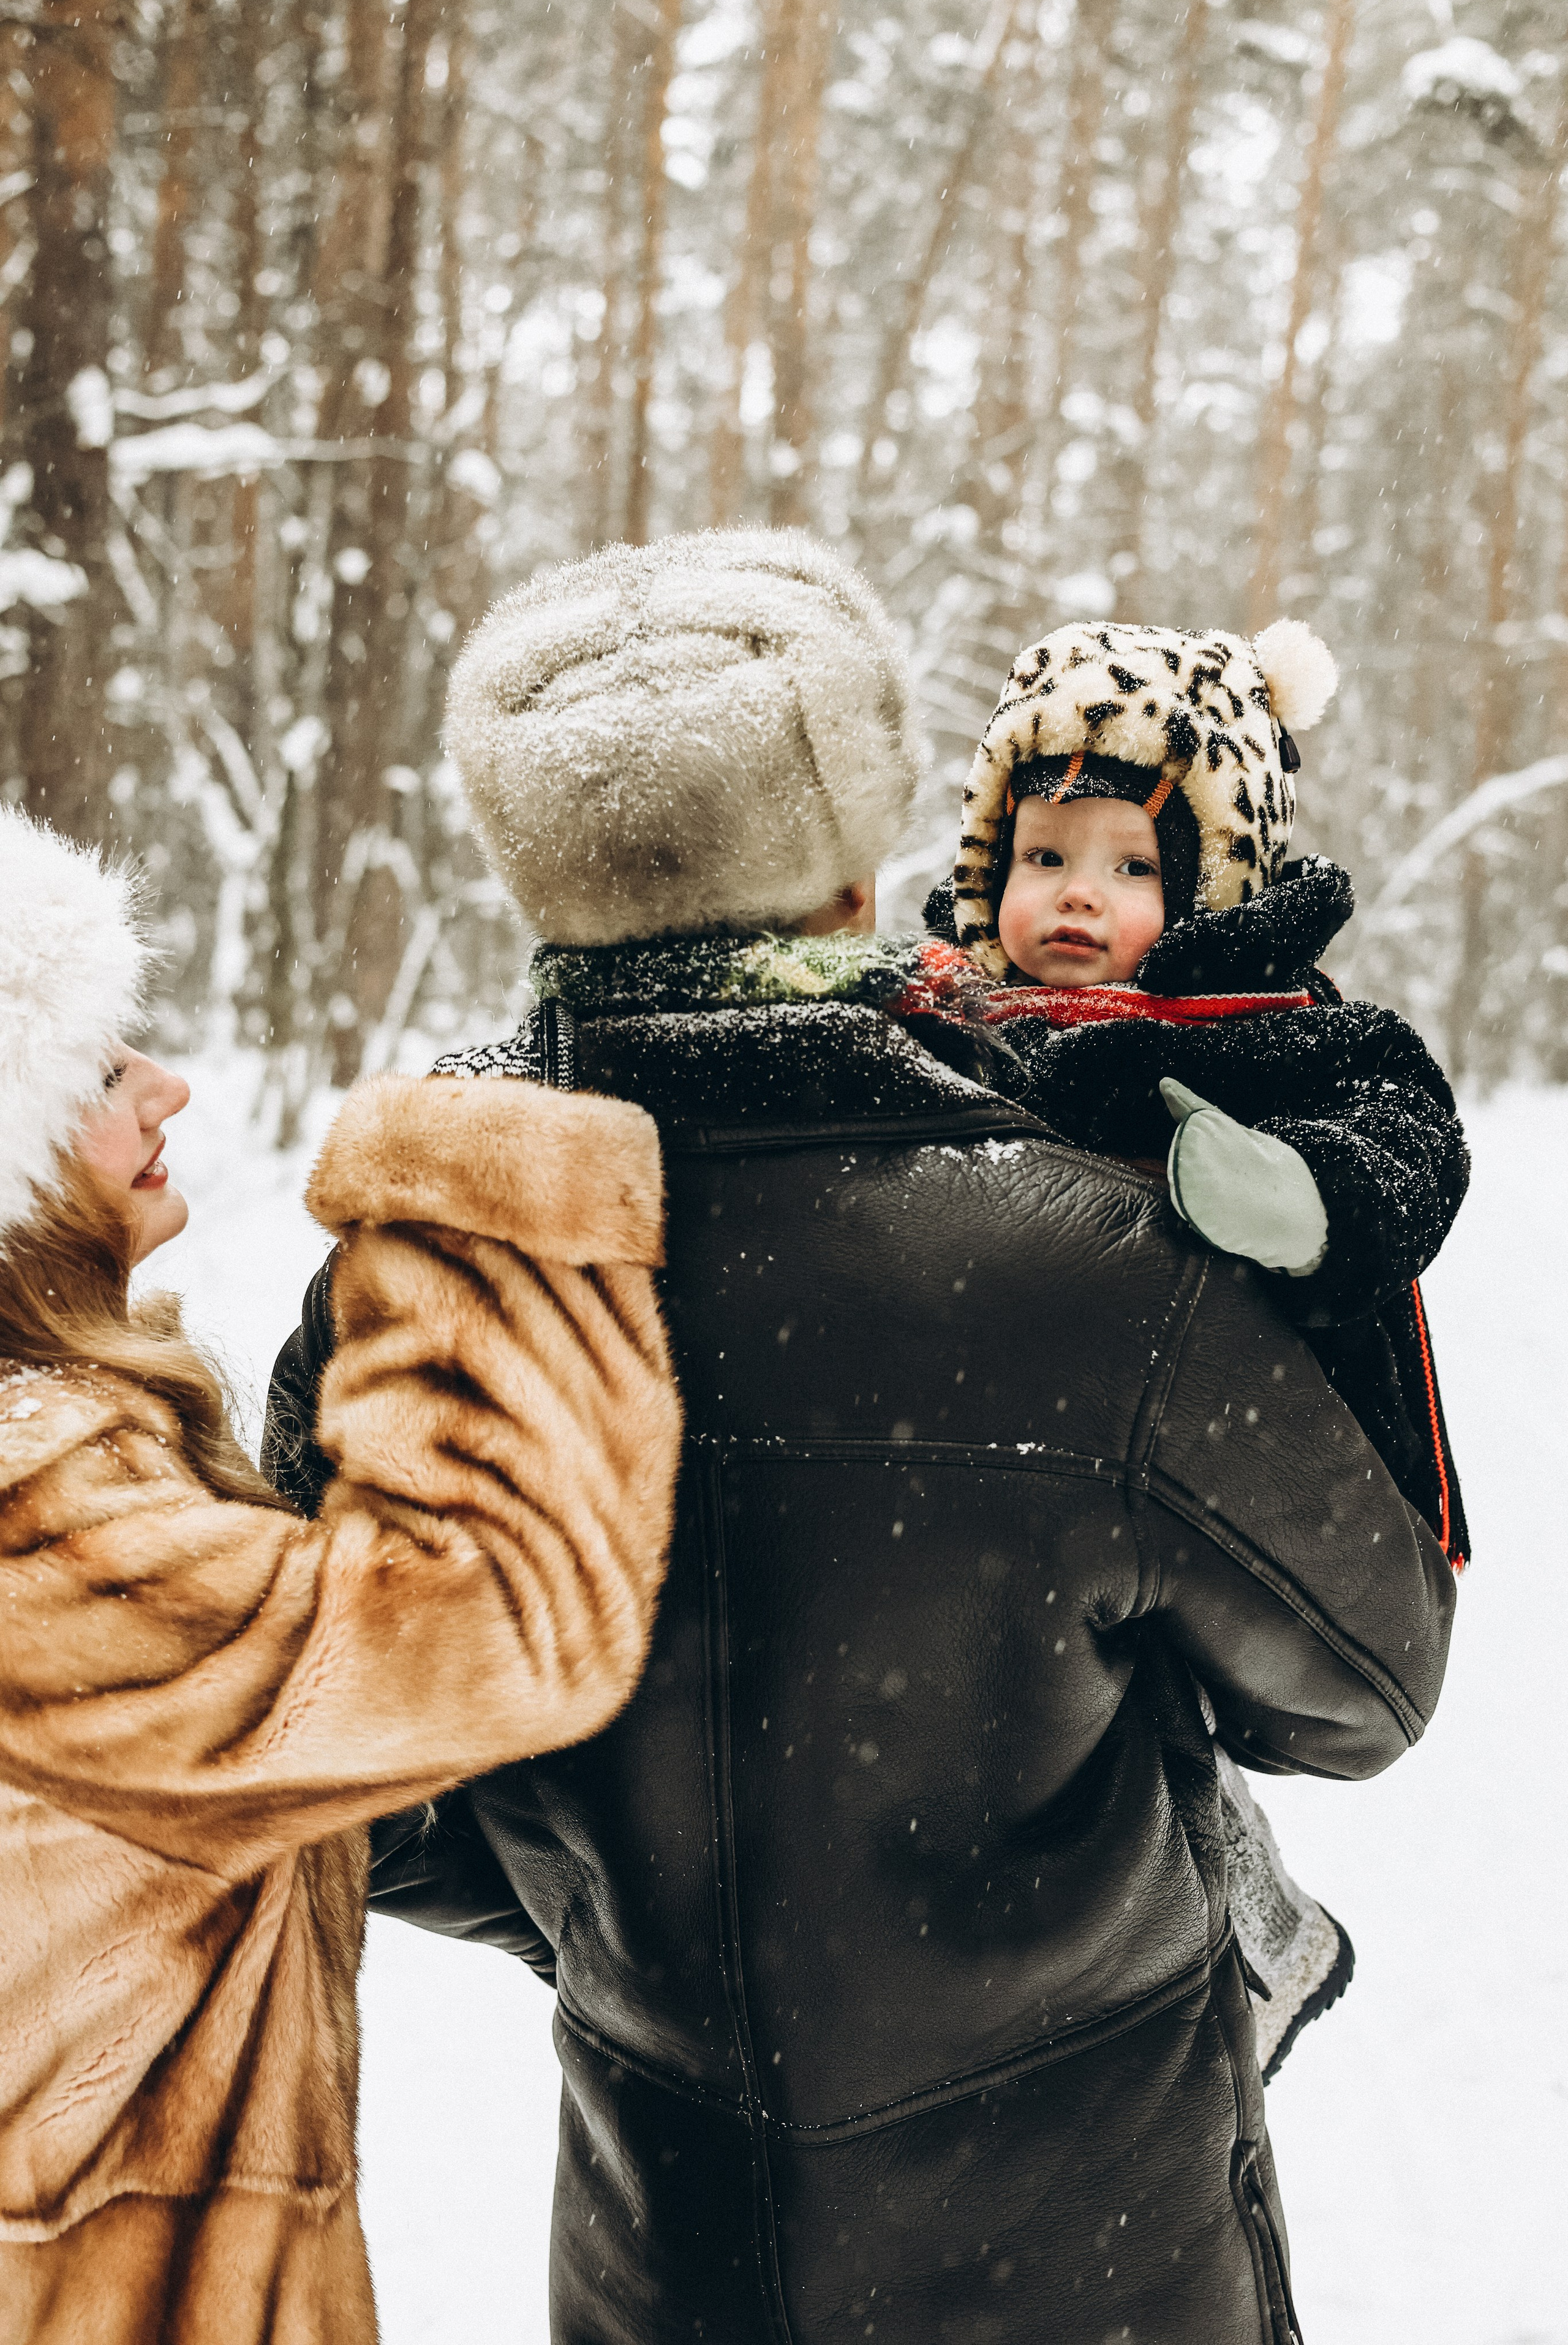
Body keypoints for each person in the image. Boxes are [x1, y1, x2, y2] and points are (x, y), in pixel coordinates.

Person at [266, 529, 1457, 2345]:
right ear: (851, 863)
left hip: (667, 2250)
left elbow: (343, 1776)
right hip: (1098, 2244)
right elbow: (1364, 1686)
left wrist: (633, 1925)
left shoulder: (426, 1265)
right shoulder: (1095, 1258)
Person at [0, 804, 680, 2344]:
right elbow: (499, 1621)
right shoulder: (38, 1517)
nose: (168, 1084)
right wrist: (490, 1200)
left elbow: (300, 1763)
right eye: (106, 1072)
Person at [910, 616, 1472, 2067]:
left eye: (1131, 865)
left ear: (1212, 879)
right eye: (1043, 855)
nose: (1076, 897)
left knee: (1151, 1719)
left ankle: (1251, 1924)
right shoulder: (939, 1019)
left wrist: (1304, 1199)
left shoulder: (1270, 1031)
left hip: (1215, 1468)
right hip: (1000, 1462)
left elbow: (1407, 1140)